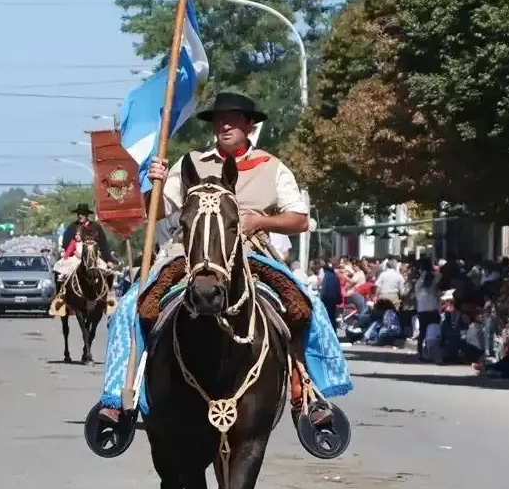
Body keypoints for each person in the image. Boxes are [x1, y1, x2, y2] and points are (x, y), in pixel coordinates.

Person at [97, 92, 353, 424]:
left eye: (233, 119)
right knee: (130, 307)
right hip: (187, 254)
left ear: (250, 125)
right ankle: (118, 395)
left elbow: (299, 219)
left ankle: (311, 392)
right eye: (219, 119)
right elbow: (156, 210)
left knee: (308, 305)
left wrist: (260, 221)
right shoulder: (191, 163)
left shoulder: (272, 168)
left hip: (251, 255)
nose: (224, 125)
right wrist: (154, 184)